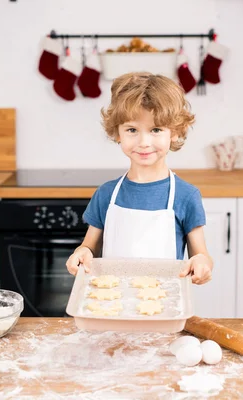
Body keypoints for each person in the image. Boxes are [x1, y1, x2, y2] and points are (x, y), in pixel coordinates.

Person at [65, 72, 213, 284]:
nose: (144, 142)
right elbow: (89, 246)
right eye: (132, 129)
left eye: (155, 129)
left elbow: (202, 256)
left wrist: (201, 264)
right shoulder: (106, 194)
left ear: (174, 132)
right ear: (117, 133)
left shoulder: (186, 196)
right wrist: (82, 254)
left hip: (163, 306)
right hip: (111, 303)